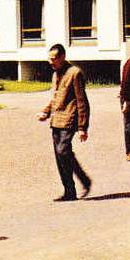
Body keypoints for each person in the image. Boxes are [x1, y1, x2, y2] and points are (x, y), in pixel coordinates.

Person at [38, 44, 91, 201]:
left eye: (54, 59)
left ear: (62, 57)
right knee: (61, 155)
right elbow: (55, 98)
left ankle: (81, 182)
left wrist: (83, 126)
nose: (51, 62)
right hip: (56, 120)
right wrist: (46, 112)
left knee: (63, 151)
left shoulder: (74, 73)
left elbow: (82, 101)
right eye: (49, 59)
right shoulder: (55, 75)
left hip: (70, 119)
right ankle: (70, 191)